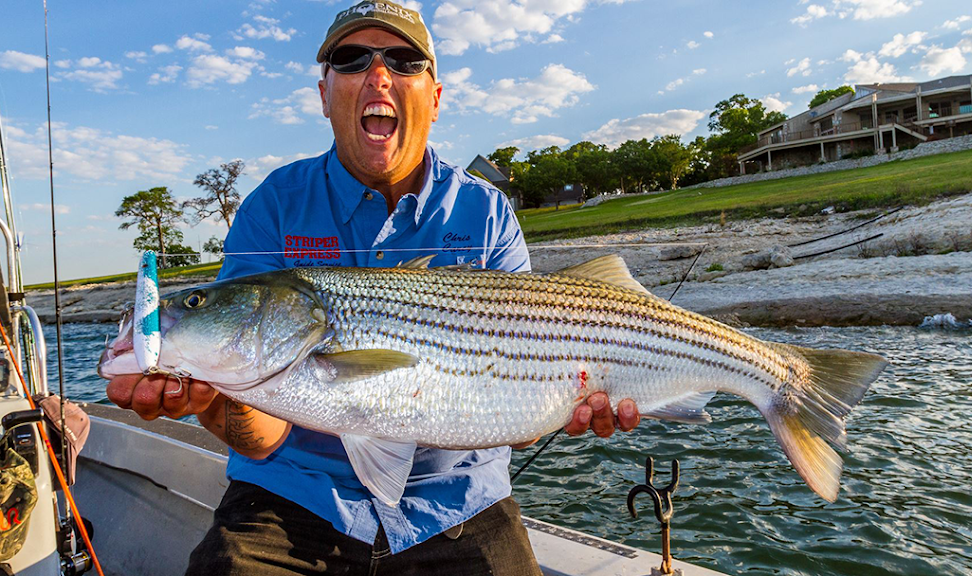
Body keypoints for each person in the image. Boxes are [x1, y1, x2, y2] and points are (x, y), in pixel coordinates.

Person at [106, 2, 640, 574]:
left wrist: (565, 401)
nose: (379, 75)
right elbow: (259, 441)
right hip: (294, 498)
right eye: (352, 58)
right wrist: (210, 394)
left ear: (434, 97)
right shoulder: (274, 206)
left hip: (458, 499)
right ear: (324, 93)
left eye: (405, 61)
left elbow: (518, 417)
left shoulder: (486, 211)